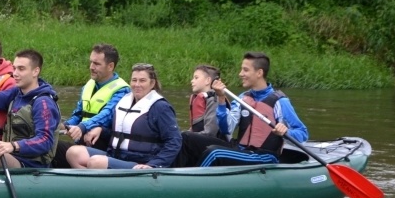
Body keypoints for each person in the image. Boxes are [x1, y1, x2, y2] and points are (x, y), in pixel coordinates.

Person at [176, 51, 308, 167]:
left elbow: (302, 133)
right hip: (240, 149)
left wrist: (286, 132)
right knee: (186, 137)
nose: (240, 74)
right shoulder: (242, 99)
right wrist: (221, 98)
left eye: (245, 70)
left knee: (215, 153)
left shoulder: (280, 101)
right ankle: (170, 175)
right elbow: (226, 128)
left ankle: (190, 183)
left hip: (264, 156)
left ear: (259, 73)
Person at [65, 63, 181, 169]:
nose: (137, 85)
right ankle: (89, 186)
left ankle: (95, 188)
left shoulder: (160, 107)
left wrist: (154, 165)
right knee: (73, 153)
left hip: (142, 163)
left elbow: (174, 141)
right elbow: (120, 132)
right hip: (116, 155)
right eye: (134, 80)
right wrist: (101, 129)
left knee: (96, 162)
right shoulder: (124, 101)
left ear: (152, 83)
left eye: (142, 81)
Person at [52, 43, 131, 168]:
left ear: (110, 66)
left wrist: (82, 127)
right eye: (91, 62)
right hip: (84, 143)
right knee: (51, 145)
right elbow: (79, 113)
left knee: (58, 148)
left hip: (104, 144)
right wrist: (65, 125)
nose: (91, 67)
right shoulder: (89, 85)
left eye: (97, 64)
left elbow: (106, 115)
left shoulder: (122, 90)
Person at [188, 64, 224, 139]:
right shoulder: (201, 98)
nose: (192, 81)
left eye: (196, 78)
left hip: (215, 142)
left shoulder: (214, 99)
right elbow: (194, 130)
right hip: (201, 139)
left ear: (207, 80)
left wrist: (187, 137)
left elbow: (210, 132)